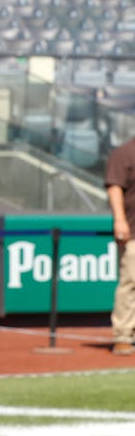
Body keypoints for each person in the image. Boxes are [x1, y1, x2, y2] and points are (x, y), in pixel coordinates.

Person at [104, 138, 135, 356]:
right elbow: (114, 187)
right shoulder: (125, 152)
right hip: (133, 230)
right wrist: (119, 219)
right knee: (130, 282)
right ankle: (123, 335)